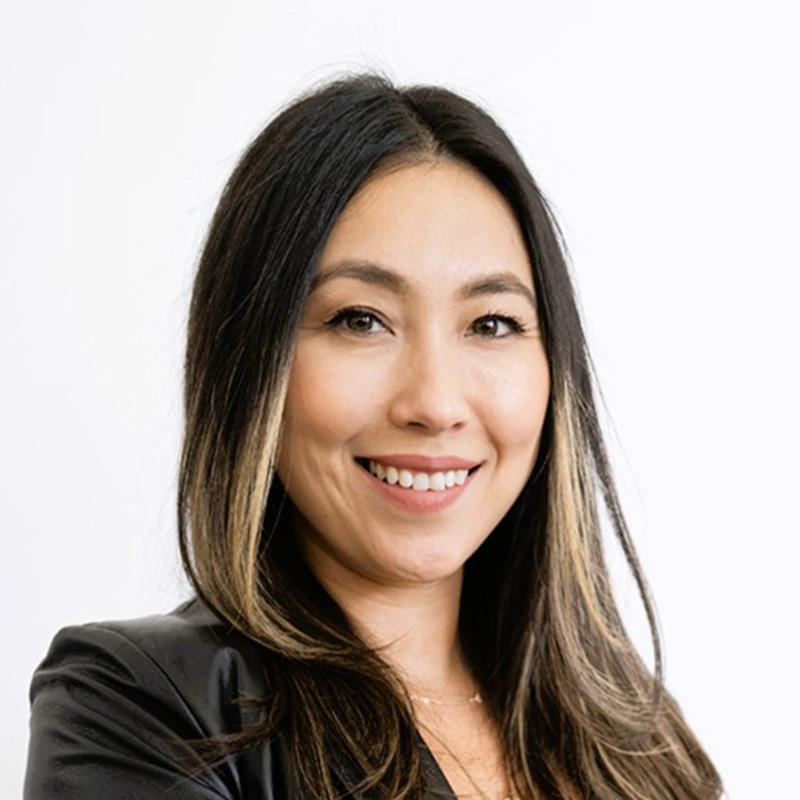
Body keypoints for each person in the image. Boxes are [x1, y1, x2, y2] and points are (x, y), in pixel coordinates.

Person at [23, 71, 724, 800]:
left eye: (491, 324)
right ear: (251, 364)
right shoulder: (146, 706)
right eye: (361, 319)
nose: (435, 402)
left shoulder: (634, 739)